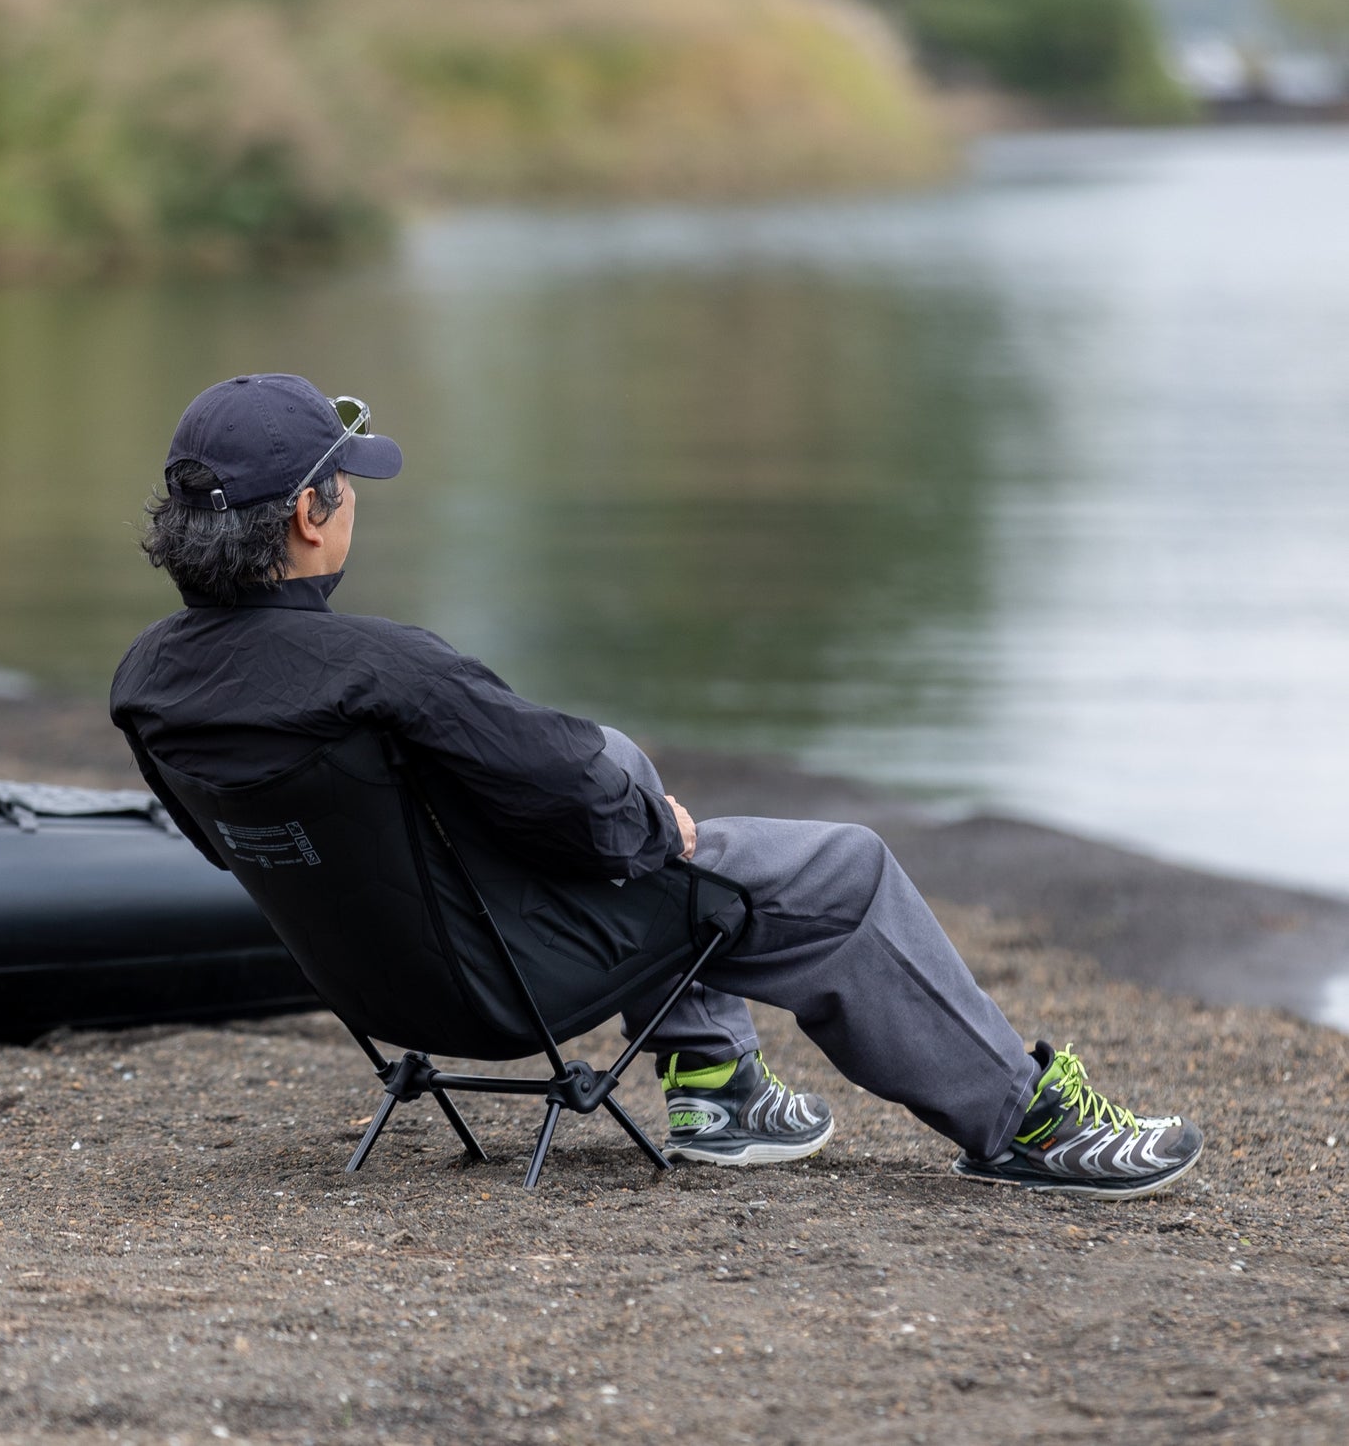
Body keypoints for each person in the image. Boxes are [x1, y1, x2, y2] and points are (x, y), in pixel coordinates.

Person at [112, 374, 1203, 1199]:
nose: (354, 501)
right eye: (347, 484)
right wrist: (651, 824)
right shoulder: (388, 671)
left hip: (379, 989)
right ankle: (1024, 1124)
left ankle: (720, 1089)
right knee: (840, 868)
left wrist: (615, 807)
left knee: (611, 779)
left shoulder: (148, 683)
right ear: (311, 515)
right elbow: (587, 807)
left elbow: (231, 848)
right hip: (507, 982)